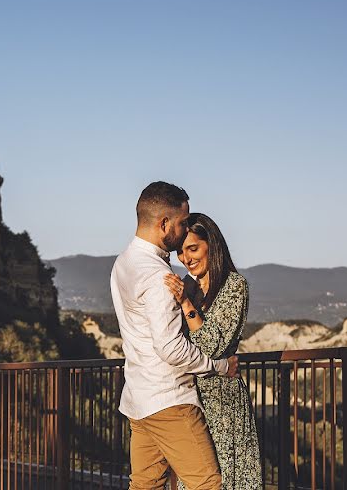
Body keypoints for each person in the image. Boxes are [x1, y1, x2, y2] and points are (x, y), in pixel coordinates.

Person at [111, 181, 239, 490]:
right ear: (164, 223)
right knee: (207, 484)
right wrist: (220, 366)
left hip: (139, 401)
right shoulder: (157, 275)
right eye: (182, 223)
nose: (183, 232)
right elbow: (170, 348)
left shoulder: (123, 264)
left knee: (145, 485)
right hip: (169, 400)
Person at [163, 213, 262, 489]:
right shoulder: (190, 286)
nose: (186, 259)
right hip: (189, 397)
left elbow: (213, 346)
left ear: (212, 245)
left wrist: (184, 303)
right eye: (180, 253)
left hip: (223, 402)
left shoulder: (234, 286)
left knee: (226, 479)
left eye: (193, 249)